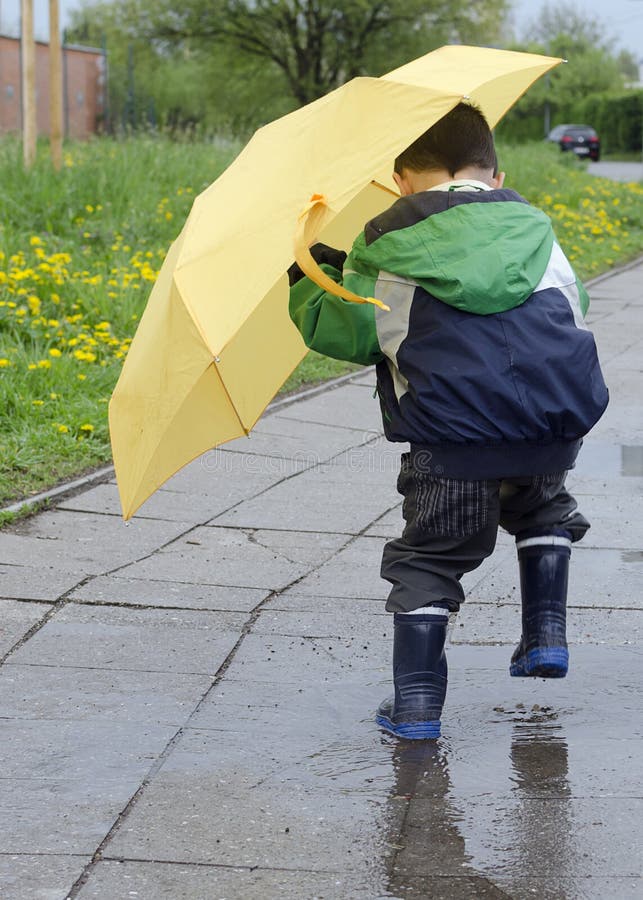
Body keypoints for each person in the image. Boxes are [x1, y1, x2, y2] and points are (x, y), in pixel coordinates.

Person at [287, 102, 608, 740]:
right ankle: (546, 634)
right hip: (552, 433)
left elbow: (355, 333)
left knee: (431, 560)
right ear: (495, 172)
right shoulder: (535, 229)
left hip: (452, 447)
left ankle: (416, 706)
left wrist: (311, 278)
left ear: (403, 178)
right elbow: (576, 306)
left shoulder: (388, 242)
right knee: (543, 511)